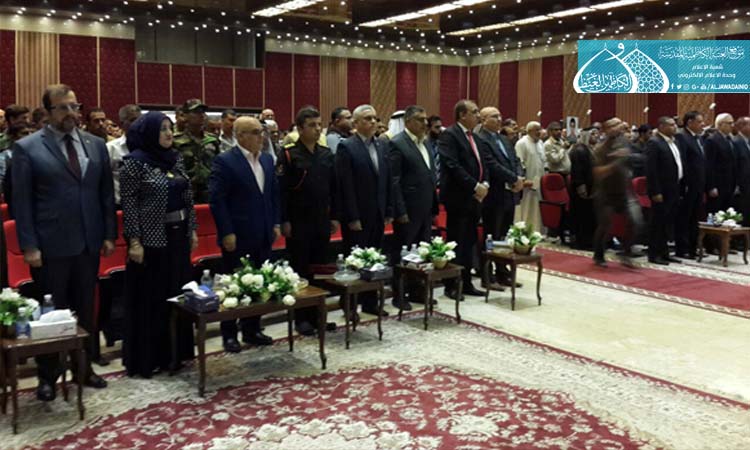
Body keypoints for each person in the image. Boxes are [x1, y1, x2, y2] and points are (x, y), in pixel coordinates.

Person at [12, 84, 115, 401]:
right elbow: (21, 202)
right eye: (63, 108)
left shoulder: (96, 145)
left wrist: (108, 234)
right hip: (50, 246)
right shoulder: (28, 148)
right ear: (48, 112)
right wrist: (29, 245)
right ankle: (48, 376)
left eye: (74, 106)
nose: (71, 113)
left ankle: (84, 369)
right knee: (51, 314)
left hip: (88, 242)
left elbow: (105, 195)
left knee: (85, 309)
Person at [120, 111, 196, 377]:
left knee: (179, 294)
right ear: (150, 133)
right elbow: (129, 206)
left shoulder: (175, 158)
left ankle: (176, 353)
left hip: (179, 236)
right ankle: (150, 357)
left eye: (169, 128)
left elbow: (188, 196)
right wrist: (134, 241)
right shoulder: (134, 163)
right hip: (152, 240)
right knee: (154, 298)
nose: (168, 133)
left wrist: (192, 229)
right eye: (162, 128)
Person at [209, 116, 277, 352]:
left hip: (264, 231)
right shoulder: (225, 161)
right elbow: (218, 201)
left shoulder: (267, 160)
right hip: (238, 234)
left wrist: (275, 223)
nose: (261, 137)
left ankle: (252, 328)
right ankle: (229, 333)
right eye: (256, 132)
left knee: (260, 282)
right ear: (240, 136)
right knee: (233, 284)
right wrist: (226, 232)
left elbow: (272, 195)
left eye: (262, 132)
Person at [278, 106, 339, 335]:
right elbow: (281, 191)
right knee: (301, 270)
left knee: (320, 269)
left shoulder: (326, 154)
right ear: (300, 128)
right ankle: (301, 318)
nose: (317, 129)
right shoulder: (288, 154)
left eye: (319, 125)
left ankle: (319, 316)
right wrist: (284, 220)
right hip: (298, 221)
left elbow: (334, 189)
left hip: (321, 219)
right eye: (312, 125)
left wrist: (334, 216)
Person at [439, 100, 500, 299]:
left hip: (475, 199)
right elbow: (452, 165)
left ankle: (466, 282)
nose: (478, 116)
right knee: (457, 242)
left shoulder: (476, 137)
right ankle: (452, 285)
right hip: (458, 198)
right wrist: (475, 186)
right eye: (474, 112)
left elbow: (485, 165)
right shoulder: (450, 135)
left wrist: (486, 184)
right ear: (462, 115)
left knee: (470, 242)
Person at [337, 104, 394, 316]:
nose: (373, 122)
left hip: (378, 213)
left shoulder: (382, 145)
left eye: (375, 118)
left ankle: (370, 302)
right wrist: (352, 216)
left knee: (374, 259)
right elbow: (345, 185)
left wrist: (389, 209)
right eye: (367, 119)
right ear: (356, 123)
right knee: (355, 260)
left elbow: (387, 180)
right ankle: (349, 305)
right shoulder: (347, 146)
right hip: (358, 214)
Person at [388, 105, 439, 310]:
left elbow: (429, 175)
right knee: (403, 253)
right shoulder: (398, 143)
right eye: (420, 119)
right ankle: (399, 294)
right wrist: (400, 210)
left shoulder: (424, 142)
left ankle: (418, 290)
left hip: (425, 208)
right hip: (408, 210)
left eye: (425, 119)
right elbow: (394, 181)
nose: (425, 123)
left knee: (421, 252)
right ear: (408, 121)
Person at [477, 107, 524, 286]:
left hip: (509, 194)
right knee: (491, 236)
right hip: (494, 194)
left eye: (500, 116)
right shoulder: (481, 139)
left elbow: (515, 160)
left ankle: (503, 271)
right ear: (483, 120)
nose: (499, 119)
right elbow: (491, 164)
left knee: (504, 236)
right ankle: (487, 275)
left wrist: (519, 177)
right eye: (494, 116)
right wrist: (513, 178)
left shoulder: (504, 139)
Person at [591, 118, 638, 268]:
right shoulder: (600, 149)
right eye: (612, 125)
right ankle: (598, 255)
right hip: (605, 193)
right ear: (606, 129)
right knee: (605, 225)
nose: (616, 128)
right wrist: (615, 163)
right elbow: (598, 173)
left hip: (623, 191)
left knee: (634, 221)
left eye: (618, 124)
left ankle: (626, 253)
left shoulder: (624, 143)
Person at [646, 117, 684, 265]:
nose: (675, 127)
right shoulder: (654, 142)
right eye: (671, 125)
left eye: (675, 125)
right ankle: (654, 254)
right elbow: (651, 170)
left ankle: (664, 252)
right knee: (658, 223)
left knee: (667, 222)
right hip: (661, 190)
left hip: (674, 187)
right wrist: (655, 191)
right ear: (661, 126)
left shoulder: (674, 142)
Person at [173, 99, 221, 203]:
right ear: (185, 116)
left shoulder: (212, 140)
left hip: (209, 191)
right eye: (196, 112)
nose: (201, 115)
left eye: (203, 112)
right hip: (185, 191)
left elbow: (218, 165)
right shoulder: (176, 141)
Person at [674, 111, 706, 258]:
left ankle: (693, 248)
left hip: (698, 185)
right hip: (688, 185)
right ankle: (683, 249)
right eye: (699, 122)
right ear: (690, 122)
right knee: (684, 218)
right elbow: (684, 162)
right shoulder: (682, 137)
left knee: (694, 218)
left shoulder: (697, 138)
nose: (703, 124)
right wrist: (685, 184)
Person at [568, 127, 599, 250]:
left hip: (592, 187)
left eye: (597, 133)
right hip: (581, 188)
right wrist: (581, 186)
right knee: (582, 215)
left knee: (590, 216)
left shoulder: (591, 149)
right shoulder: (579, 150)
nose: (596, 136)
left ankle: (591, 241)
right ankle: (582, 242)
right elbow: (577, 171)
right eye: (593, 134)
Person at [107, 104, 142, 207]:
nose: (137, 124)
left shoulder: (149, 146)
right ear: (122, 123)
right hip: (120, 206)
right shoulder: (111, 148)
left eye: (140, 120)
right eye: (133, 120)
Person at [514, 122, 545, 233]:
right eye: (537, 130)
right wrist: (523, 180)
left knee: (538, 207)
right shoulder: (521, 143)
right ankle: (524, 232)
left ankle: (538, 231)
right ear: (529, 131)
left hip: (539, 182)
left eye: (540, 129)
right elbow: (519, 162)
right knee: (526, 208)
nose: (539, 132)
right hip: (526, 183)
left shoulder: (540, 143)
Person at [705, 113, 736, 214]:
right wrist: (711, 186)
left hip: (729, 184)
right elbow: (709, 165)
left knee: (727, 213)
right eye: (729, 123)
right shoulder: (712, 140)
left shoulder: (730, 139)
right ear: (720, 124)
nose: (732, 125)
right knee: (716, 213)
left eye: (733, 123)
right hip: (718, 185)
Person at [732, 117, 750, 226]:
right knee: (742, 214)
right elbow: (734, 165)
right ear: (742, 126)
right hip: (741, 186)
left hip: (748, 185)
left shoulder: (747, 142)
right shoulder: (735, 142)